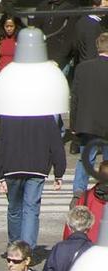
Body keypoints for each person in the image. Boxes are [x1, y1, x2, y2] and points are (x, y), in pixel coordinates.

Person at [0, 109, 66, 247]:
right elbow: (56, 143)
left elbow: (1, 143)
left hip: (12, 166)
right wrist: (59, 172)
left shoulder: (8, 113)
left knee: (14, 209)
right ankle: (26, 249)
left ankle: (14, 245)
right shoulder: (45, 114)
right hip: (37, 167)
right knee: (31, 210)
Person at [67, 33, 108, 203]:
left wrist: (74, 123)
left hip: (88, 122)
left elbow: (75, 98)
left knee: (86, 159)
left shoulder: (82, 68)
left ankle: (78, 192)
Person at [0, 15, 23, 82]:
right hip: (0, 75)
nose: (9, 29)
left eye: (11, 26)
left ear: (16, 26)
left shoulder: (21, 39)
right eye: (7, 26)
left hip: (16, 76)